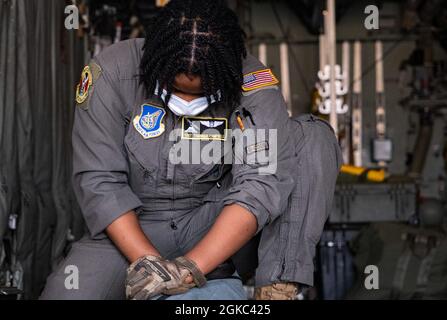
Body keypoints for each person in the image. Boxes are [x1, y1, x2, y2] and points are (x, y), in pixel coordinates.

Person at [40, 0, 296, 300]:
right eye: (174, 91)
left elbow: (259, 185)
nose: (185, 103)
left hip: (213, 222)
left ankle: (279, 281)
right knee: (65, 292)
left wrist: (188, 270)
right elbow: (100, 180)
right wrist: (152, 267)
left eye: (199, 94)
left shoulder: (252, 82)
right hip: (132, 225)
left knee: (311, 135)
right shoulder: (111, 72)